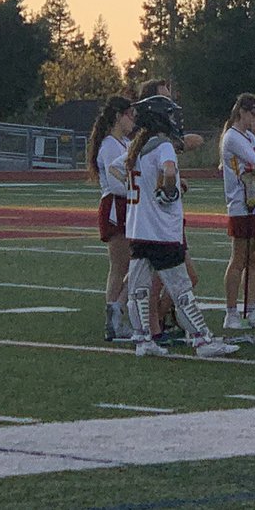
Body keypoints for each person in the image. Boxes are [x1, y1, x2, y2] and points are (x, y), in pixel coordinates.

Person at [123, 95, 237, 358]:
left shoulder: (136, 147)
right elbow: (170, 171)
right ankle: (201, 339)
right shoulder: (162, 146)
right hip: (162, 230)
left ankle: (143, 339)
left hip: (139, 227)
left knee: (138, 290)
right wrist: (169, 190)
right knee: (181, 289)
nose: (174, 120)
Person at [220, 93, 255, 330]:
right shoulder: (233, 137)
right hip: (241, 204)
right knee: (239, 258)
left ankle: (250, 310)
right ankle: (231, 313)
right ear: (242, 112)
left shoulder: (248, 135)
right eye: (253, 113)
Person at [88, 95, 135, 342]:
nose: (133, 121)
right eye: (130, 116)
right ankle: (114, 317)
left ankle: (119, 309)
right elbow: (117, 183)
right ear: (119, 116)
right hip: (116, 205)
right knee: (120, 266)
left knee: (137, 263)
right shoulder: (109, 145)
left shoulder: (125, 143)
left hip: (128, 205)